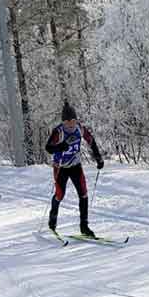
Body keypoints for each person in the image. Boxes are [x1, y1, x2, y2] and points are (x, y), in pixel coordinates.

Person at [45, 101, 104, 237]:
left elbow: (91, 141)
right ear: (64, 122)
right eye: (68, 122)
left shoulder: (79, 128)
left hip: (75, 165)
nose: (71, 124)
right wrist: (60, 147)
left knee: (83, 194)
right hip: (61, 167)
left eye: (73, 121)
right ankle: (52, 222)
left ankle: (84, 227)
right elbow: (48, 148)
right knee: (60, 195)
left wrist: (98, 158)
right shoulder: (58, 131)